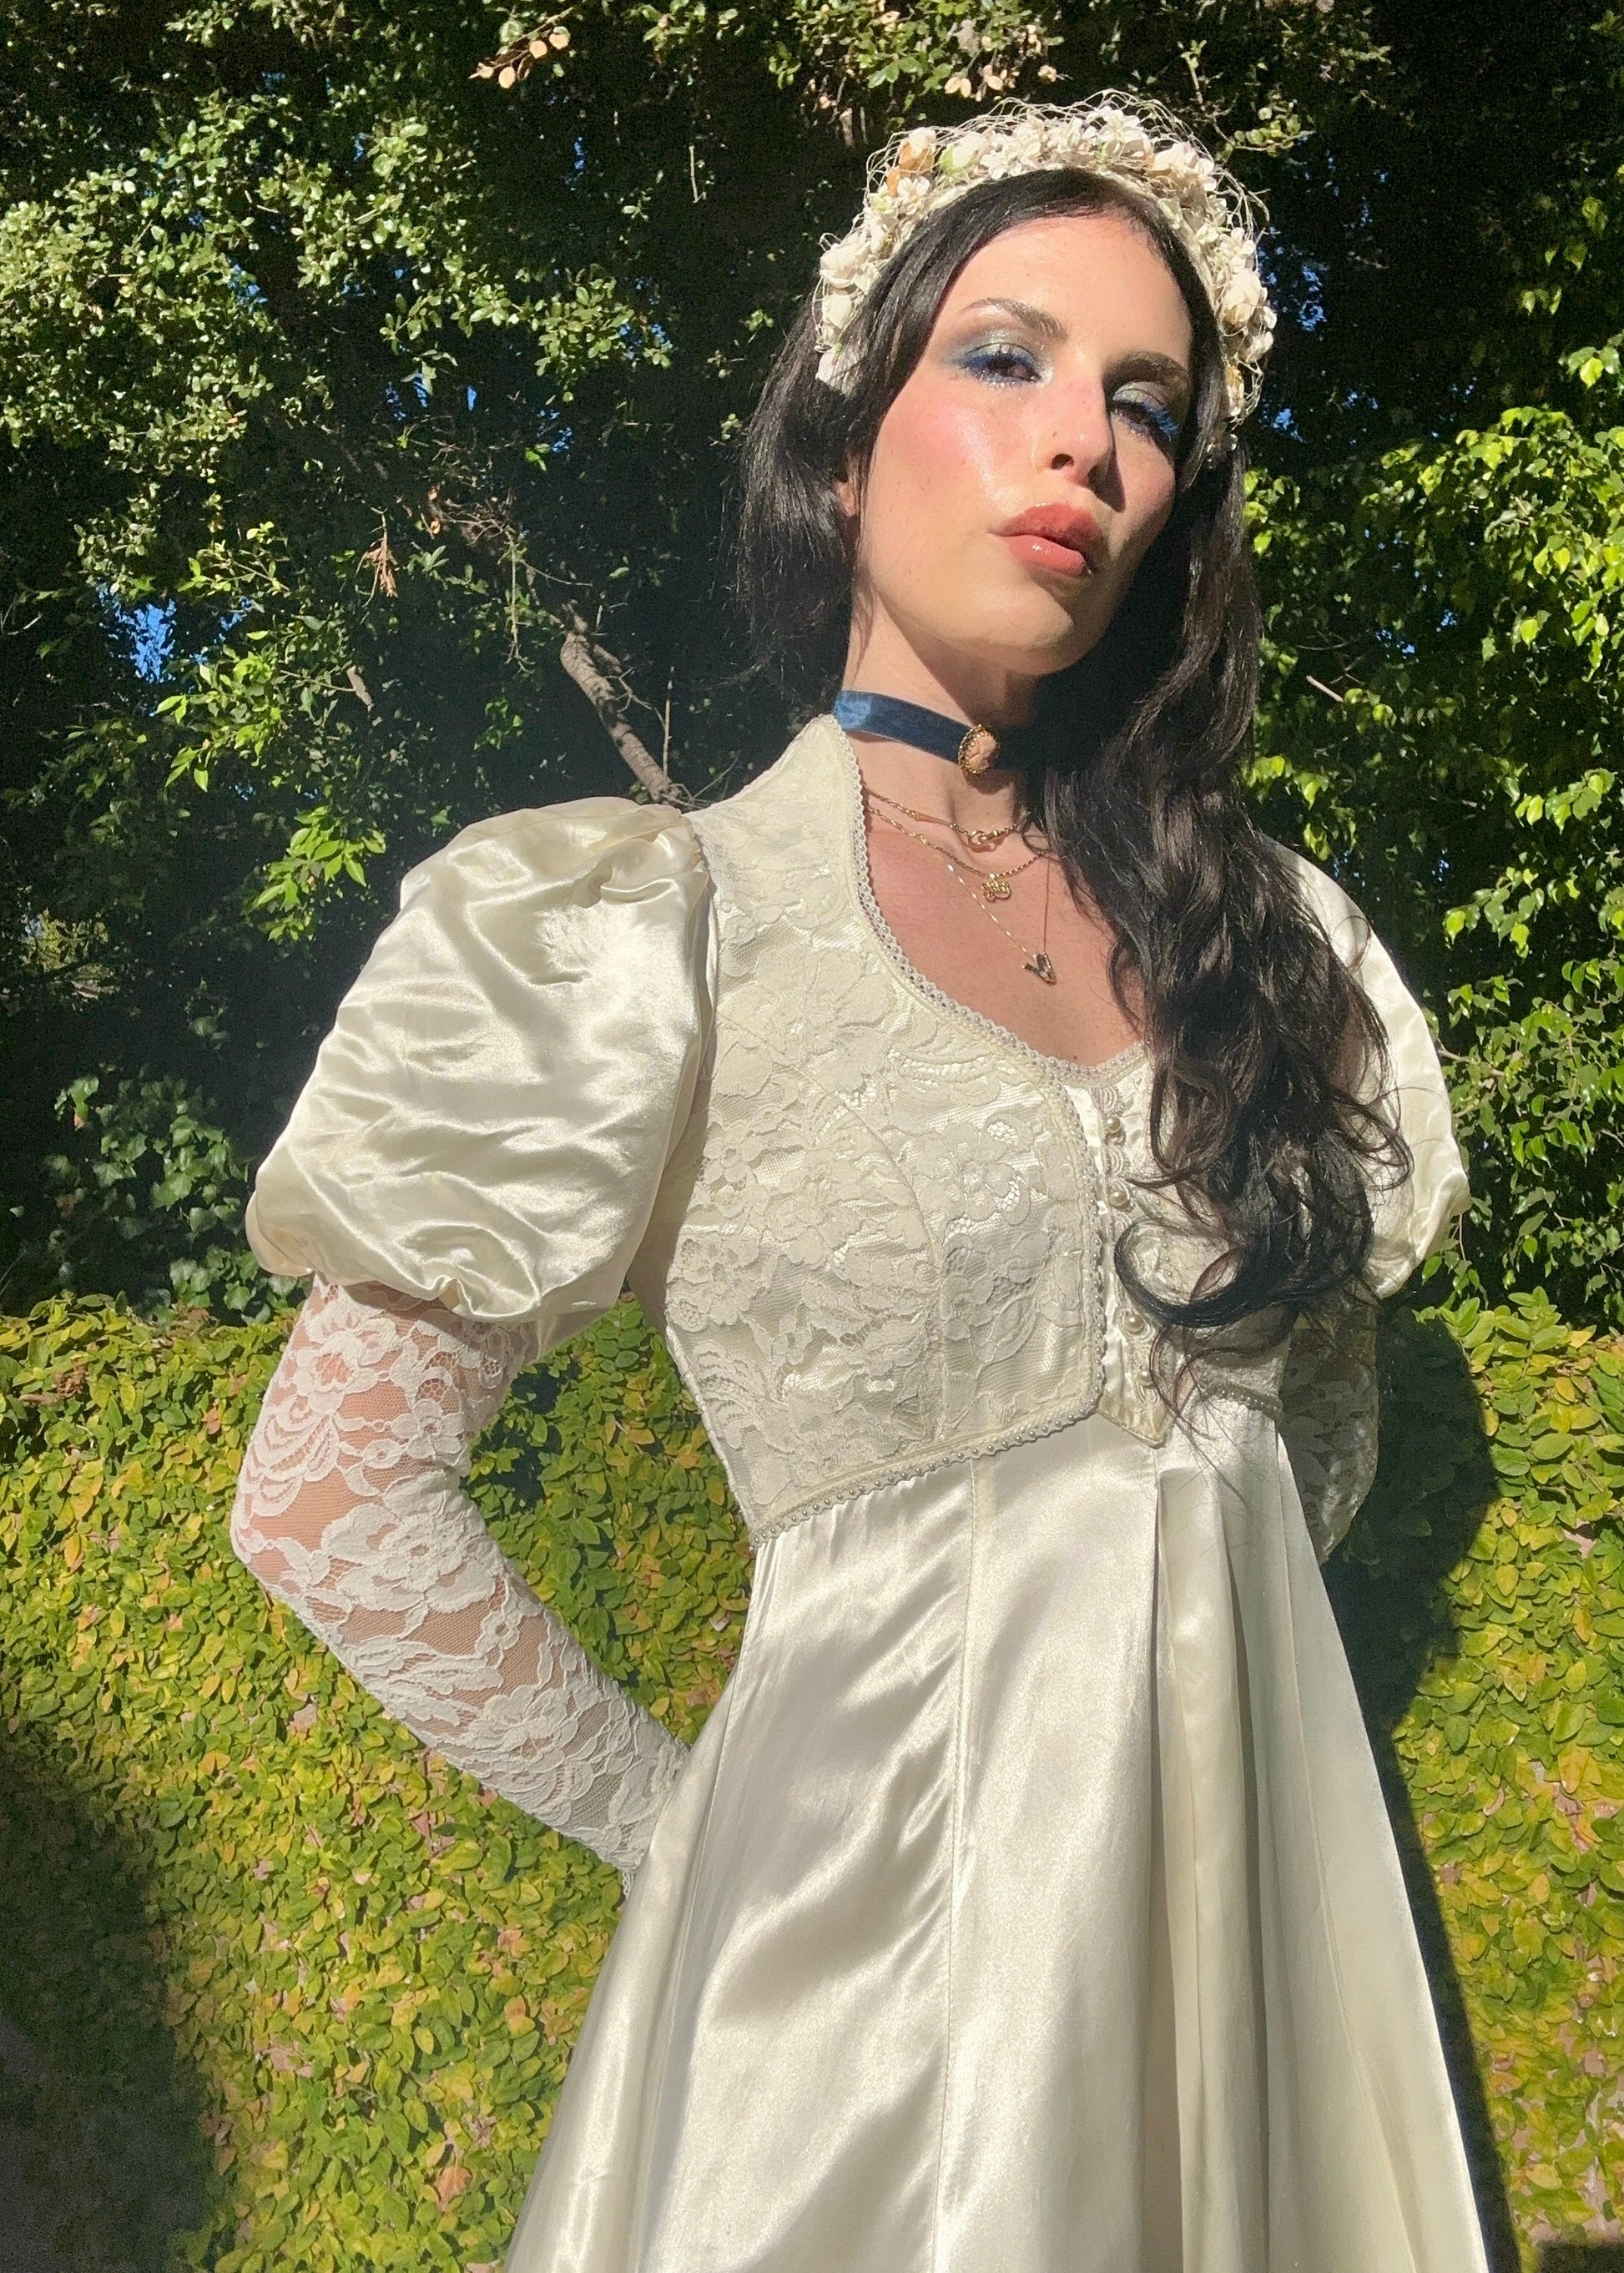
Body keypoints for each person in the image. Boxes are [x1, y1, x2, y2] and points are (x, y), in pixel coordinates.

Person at [229, 93, 1489, 2273]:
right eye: (1002, 358)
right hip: (845, 2034)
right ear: (838, 439)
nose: (1082, 442)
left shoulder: (1268, 950)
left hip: (1260, 1982)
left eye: (1147, 404)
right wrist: (675, 1816)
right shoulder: (648, 928)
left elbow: (1312, 1457)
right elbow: (326, 1493)